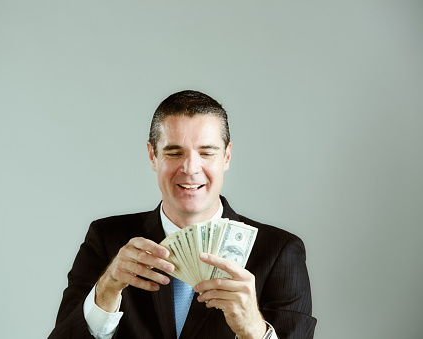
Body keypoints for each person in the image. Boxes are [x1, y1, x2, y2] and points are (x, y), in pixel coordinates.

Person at [48, 90, 316, 339]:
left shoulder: (279, 251)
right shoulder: (107, 239)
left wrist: (255, 331)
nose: (190, 168)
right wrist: (106, 290)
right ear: (153, 156)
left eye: (207, 152)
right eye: (174, 152)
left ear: (227, 156)